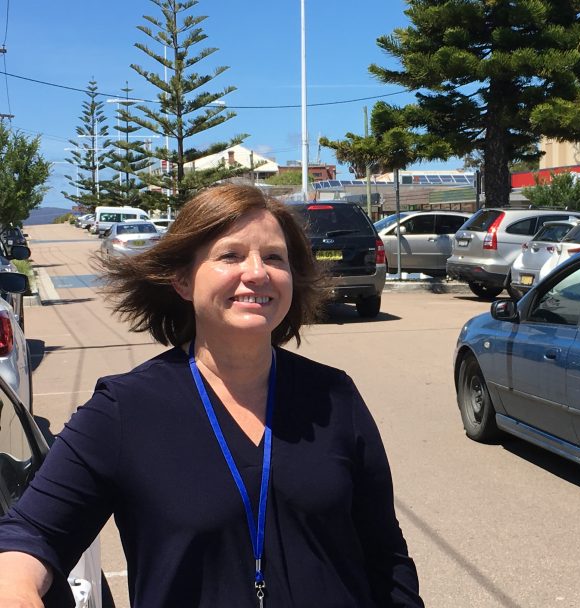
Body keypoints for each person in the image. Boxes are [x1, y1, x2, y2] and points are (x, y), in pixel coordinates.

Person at [0, 184, 424, 607]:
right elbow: (30, 535)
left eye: (275, 257)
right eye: (231, 255)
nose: (257, 272)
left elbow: (385, 555)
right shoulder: (125, 410)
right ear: (182, 280)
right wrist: (16, 588)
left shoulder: (334, 395)